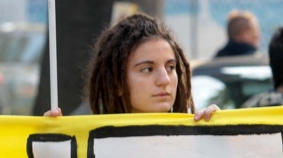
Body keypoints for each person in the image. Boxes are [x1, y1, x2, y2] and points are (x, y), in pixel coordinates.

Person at [46, 13, 216, 120]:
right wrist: (49, 148)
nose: (164, 80)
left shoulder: (197, 138)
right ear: (118, 83)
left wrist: (224, 135)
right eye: (148, 69)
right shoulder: (88, 145)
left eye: (170, 67)